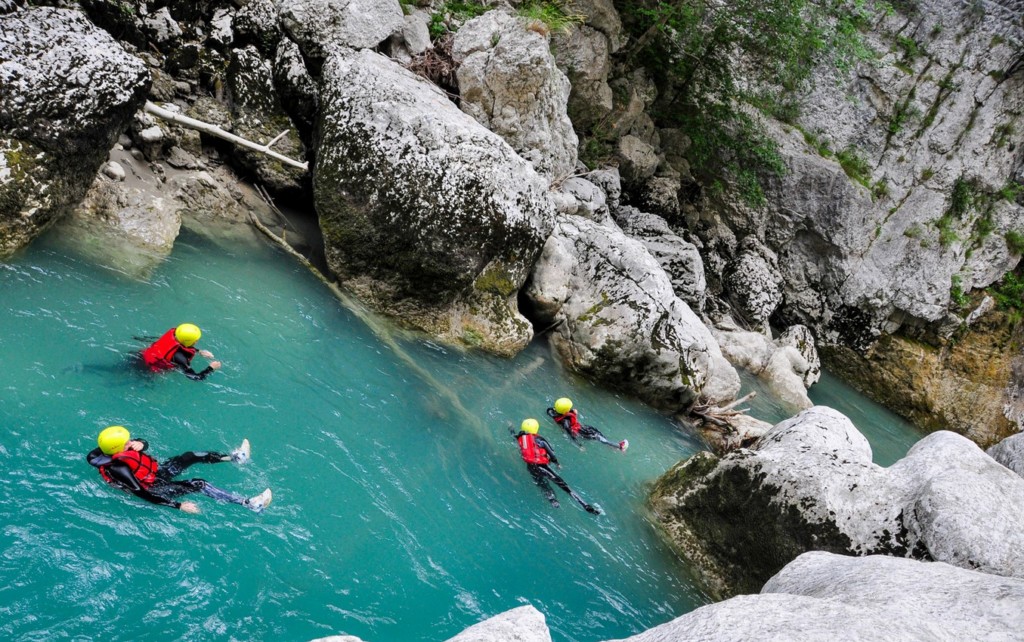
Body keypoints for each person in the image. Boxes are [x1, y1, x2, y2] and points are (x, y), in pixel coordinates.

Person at [86, 425, 272, 514]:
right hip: (151, 488)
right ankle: (249, 504)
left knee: (189, 456)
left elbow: (143, 443)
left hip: (153, 475)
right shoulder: (119, 469)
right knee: (198, 483)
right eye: (127, 442)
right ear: (118, 449)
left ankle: (235, 458)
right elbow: (141, 493)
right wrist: (178, 505)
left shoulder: (113, 448)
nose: (130, 441)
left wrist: (141, 444)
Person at [513, 418, 600, 514]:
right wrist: (557, 463)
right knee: (564, 486)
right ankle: (585, 505)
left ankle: (553, 500)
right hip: (543, 467)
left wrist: (511, 428)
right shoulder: (540, 440)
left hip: (531, 467)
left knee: (543, 485)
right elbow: (552, 454)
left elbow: (515, 437)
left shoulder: (520, 438)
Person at [140, 323, 221, 381]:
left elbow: (180, 347)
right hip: (148, 371)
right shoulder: (182, 359)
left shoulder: (172, 336)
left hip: (141, 355)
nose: (197, 341)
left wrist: (199, 351)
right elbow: (195, 377)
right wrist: (211, 368)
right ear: (192, 342)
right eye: (196, 340)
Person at [547, 397, 628, 452]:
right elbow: (570, 434)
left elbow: (559, 412)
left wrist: (571, 411)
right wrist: (579, 445)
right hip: (580, 432)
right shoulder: (565, 422)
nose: (571, 409)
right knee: (597, 437)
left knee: (597, 431)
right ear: (565, 411)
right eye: (569, 408)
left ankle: (611, 446)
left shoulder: (555, 411)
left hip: (581, 427)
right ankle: (620, 446)